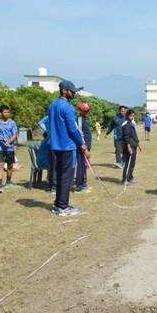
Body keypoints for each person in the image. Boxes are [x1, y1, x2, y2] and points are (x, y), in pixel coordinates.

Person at [48, 80, 89, 216]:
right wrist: (82, 144)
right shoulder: (68, 107)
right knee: (66, 177)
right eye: (72, 91)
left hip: (55, 146)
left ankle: (58, 204)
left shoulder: (52, 105)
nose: (74, 93)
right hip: (67, 146)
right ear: (64, 91)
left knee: (60, 175)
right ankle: (63, 207)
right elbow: (73, 129)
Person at [0, 105, 18, 193]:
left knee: (10, 165)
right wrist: (0, 139)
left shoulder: (12, 123)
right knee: (0, 165)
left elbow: (15, 134)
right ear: (1, 113)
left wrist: (9, 141)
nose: (7, 114)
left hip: (10, 148)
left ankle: (8, 181)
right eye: (5, 112)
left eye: (8, 112)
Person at [121, 109, 141, 185]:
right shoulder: (126, 124)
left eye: (133, 115)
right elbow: (126, 137)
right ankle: (125, 180)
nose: (132, 117)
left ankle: (130, 178)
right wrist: (128, 147)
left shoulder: (131, 123)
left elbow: (134, 135)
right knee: (128, 163)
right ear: (127, 115)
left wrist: (138, 144)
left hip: (134, 145)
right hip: (129, 147)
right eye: (130, 115)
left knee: (132, 163)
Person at [75, 102, 92, 193]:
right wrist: (84, 147)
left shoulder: (85, 119)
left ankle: (83, 184)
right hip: (82, 147)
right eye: (85, 110)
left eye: (87, 110)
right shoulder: (79, 119)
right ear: (80, 110)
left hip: (86, 147)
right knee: (81, 166)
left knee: (84, 166)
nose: (86, 112)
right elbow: (79, 134)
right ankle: (79, 187)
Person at [38, 115, 56, 193]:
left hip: (42, 160)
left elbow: (40, 122)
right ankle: (53, 184)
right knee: (56, 163)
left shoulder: (45, 140)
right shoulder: (49, 141)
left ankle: (51, 182)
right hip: (44, 161)